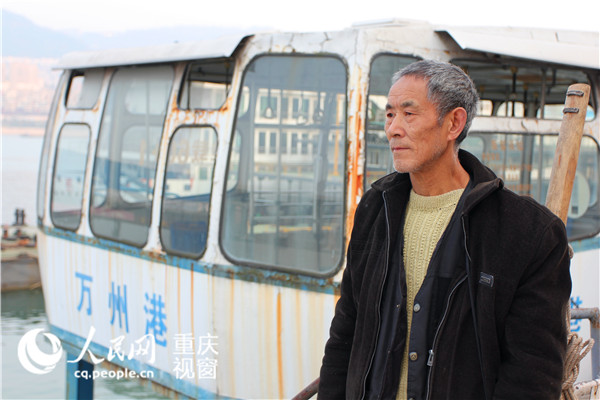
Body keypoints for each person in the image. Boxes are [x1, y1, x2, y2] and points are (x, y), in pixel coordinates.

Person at [318, 60, 571, 400]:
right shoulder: (376, 208)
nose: (393, 129)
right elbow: (346, 331)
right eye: (390, 114)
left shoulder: (528, 232)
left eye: (409, 114)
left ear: (454, 123)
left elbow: (532, 373)